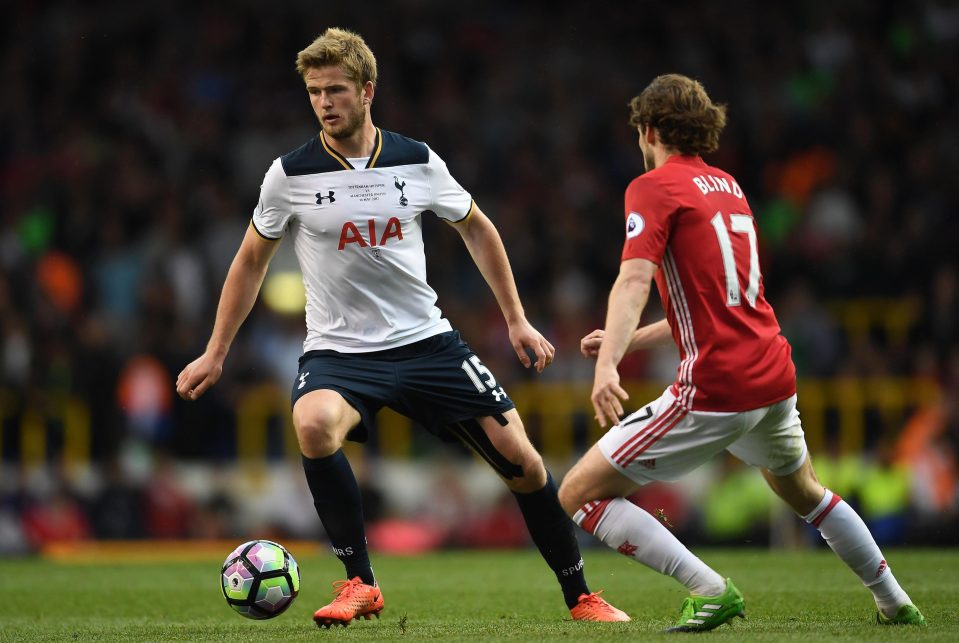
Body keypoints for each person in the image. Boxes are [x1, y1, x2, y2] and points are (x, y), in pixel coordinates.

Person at [176, 27, 627, 628]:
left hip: (426, 343)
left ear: (368, 90)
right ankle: (360, 582)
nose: (324, 102)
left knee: (523, 462)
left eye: (335, 89)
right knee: (312, 424)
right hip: (340, 352)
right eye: (313, 92)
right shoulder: (289, 174)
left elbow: (477, 228)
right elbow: (250, 260)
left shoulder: (417, 159)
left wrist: (516, 319)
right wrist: (216, 352)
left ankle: (581, 597)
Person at [556, 74, 926, 631]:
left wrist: (608, 364)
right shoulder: (728, 186)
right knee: (805, 491)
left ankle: (709, 589)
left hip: (717, 386)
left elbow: (634, 279)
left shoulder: (652, 186)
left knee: (579, 492)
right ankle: (895, 601)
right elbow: (720, 304)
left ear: (649, 129)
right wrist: (625, 339)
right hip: (772, 373)